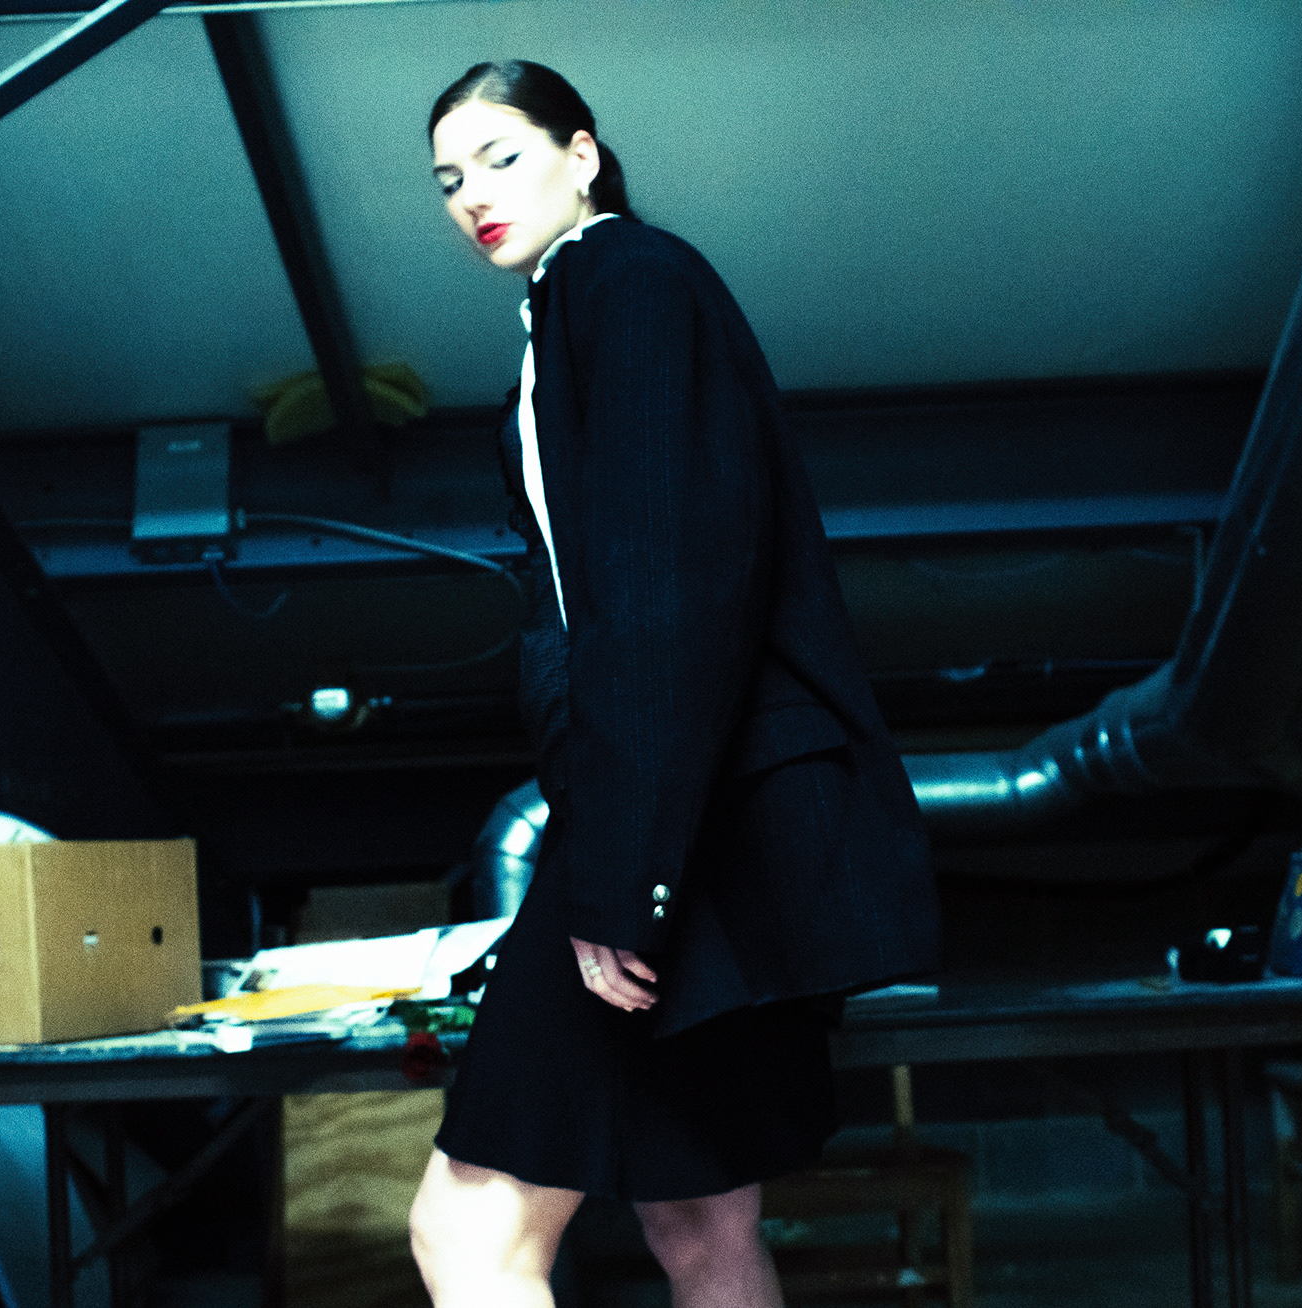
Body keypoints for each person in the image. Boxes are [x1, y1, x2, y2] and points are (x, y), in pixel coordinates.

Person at [408, 61, 940, 1308]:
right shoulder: (577, 307)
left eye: (501, 158)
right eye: (447, 180)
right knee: (700, 1221)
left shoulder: (629, 280)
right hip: (705, 822)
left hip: (686, 831)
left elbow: (669, 592)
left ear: (583, 155)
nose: (472, 195)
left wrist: (628, 874)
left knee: (468, 1230)